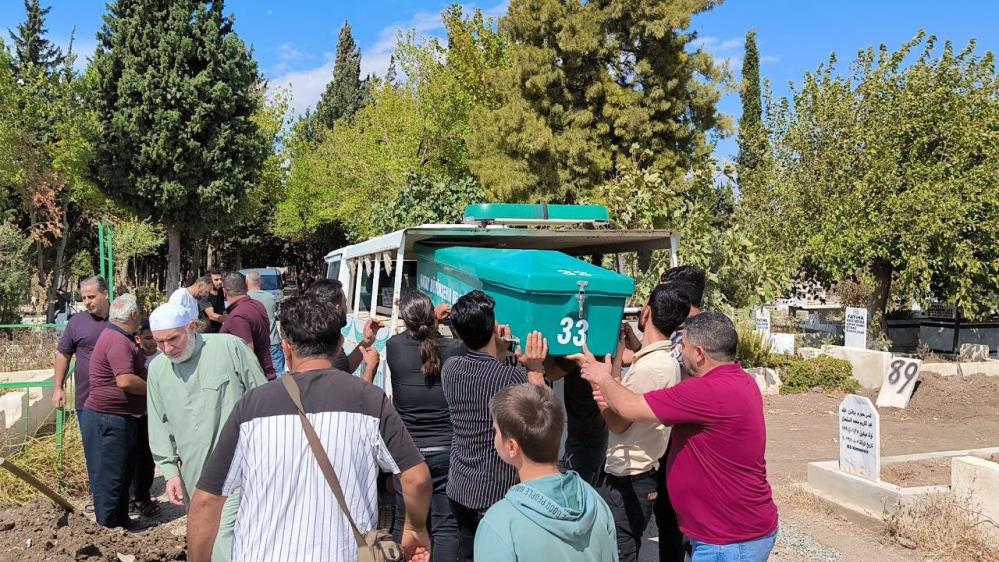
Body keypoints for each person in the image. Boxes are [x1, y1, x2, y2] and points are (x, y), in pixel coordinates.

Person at [188, 295, 433, 562]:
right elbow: (417, 478)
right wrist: (414, 528)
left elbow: (206, 501)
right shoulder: (370, 400)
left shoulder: (252, 406)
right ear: (339, 345)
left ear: (286, 348)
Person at [577, 312, 779, 562]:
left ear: (700, 354)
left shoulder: (705, 392)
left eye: (682, 345)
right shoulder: (740, 381)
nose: (678, 352)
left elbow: (628, 407)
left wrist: (602, 377)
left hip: (726, 541)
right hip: (739, 530)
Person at [147, 302, 268, 561]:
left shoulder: (228, 347)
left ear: (191, 327)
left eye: (172, 339)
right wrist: (170, 472)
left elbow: (262, 398)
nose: (167, 348)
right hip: (194, 475)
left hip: (240, 467)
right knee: (205, 539)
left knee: (223, 537)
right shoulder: (157, 370)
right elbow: (159, 424)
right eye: (159, 342)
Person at [442, 290, 547, 562]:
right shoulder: (513, 376)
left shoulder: (450, 368)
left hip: (460, 484)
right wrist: (535, 370)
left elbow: (483, 367)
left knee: (467, 553)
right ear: (491, 327)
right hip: (495, 492)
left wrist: (499, 347)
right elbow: (545, 414)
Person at [591, 284, 689, 562]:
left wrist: (598, 386)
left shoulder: (649, 368)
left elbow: (618, 423)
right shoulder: (664, 359)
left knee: (621, 551)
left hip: (629, 478)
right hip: (642, 473)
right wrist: (622, 351)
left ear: (646, 311)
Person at [474, 383, 618, 562]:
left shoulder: (499, 523)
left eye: (496, 431)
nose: (494, 436)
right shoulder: (596, 504)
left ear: (512, 447)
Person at [387, 291, 467, 561]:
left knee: (404, 520)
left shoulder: (393, 347)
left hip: (407, 453)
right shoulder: (455, 349)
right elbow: (454, 344)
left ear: (404, 319)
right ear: (433, 317)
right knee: (446, 525)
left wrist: (429, 317)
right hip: (447, 450)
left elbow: (417, 336)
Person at [83, 294, 147, 528]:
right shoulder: (118, 341)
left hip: (117, 417)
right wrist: (154, 390)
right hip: (108, 418)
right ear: (133, 315)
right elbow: (126, 381)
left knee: (122, 471)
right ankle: (109, 527)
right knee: (111, 475)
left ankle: (121, 520)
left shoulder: (118, 336)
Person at [656, 265, 706, 562]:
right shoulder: (715, 330)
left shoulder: (684, 337)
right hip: (701, 439)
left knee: (670, 517)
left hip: (680, 439)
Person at [53, 275, 110, 511]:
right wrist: (58, 387)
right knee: (94, 451)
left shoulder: (120, 318)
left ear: (105, 294)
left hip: (122, 400)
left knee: (123, 449)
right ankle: (100, 500)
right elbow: (63, 354)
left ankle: (128, 497)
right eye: (84, 297)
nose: (87, 301)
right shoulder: (76, 323)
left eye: (91, 296)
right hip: (87, 401)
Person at [305, 278, 381, 382]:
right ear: (337, 308)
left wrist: (367, 341)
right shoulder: (327, 345)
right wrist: (370, 369)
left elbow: (344, 368)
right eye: (345, 303)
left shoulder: (316, 334)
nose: (346, 307)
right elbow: (350, 397)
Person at [219, 272, 276, 380]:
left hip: (254, 381)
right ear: (246, 285)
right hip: (265, 373)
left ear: (225, 291)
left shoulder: (238, 316)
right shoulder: (257, 304)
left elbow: (247, 355)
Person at [130, 319, 160, 517]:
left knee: (148, 458)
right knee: (133, 457)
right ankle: (133, 498)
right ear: (139, 339)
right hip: (135, 414)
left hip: (154, 415)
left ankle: (143, 496)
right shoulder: (133, 357)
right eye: (148, 338)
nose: (152, 342)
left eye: (154, 338)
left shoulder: (162, 358)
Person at [246, 270, 284, 377]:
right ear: (260, 281)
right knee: (279, 374)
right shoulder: (271, 297)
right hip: (272, 341)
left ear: (246, 281)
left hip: (253, 343)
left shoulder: (245, 299)